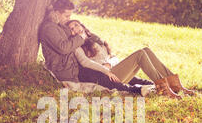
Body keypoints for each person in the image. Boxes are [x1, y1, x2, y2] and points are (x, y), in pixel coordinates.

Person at [38, 0, 152, 97]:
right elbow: (64, 48)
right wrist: (81, 38)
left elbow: (107, 55)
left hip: (76, 67)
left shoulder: (59, 26)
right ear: (57, 13)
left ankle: (145, 85)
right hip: (67, 71)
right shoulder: (49, 28)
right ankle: (136, 89)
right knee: (100, 76)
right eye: (67, 16)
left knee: (104, 74)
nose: (68, 19)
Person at [67, 19, 195, 98]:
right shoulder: (77, 46)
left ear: (82, 26)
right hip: (107, 76)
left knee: (146, 50)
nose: (75, 29)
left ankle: (175, 84)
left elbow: (112, 57)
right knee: (140, 54)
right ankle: (164, 89)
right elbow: (85, 62)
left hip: (112, 70)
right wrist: (106, 70)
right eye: (71, 29)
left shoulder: (95, 39)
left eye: (76, 25)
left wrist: (109, 64)